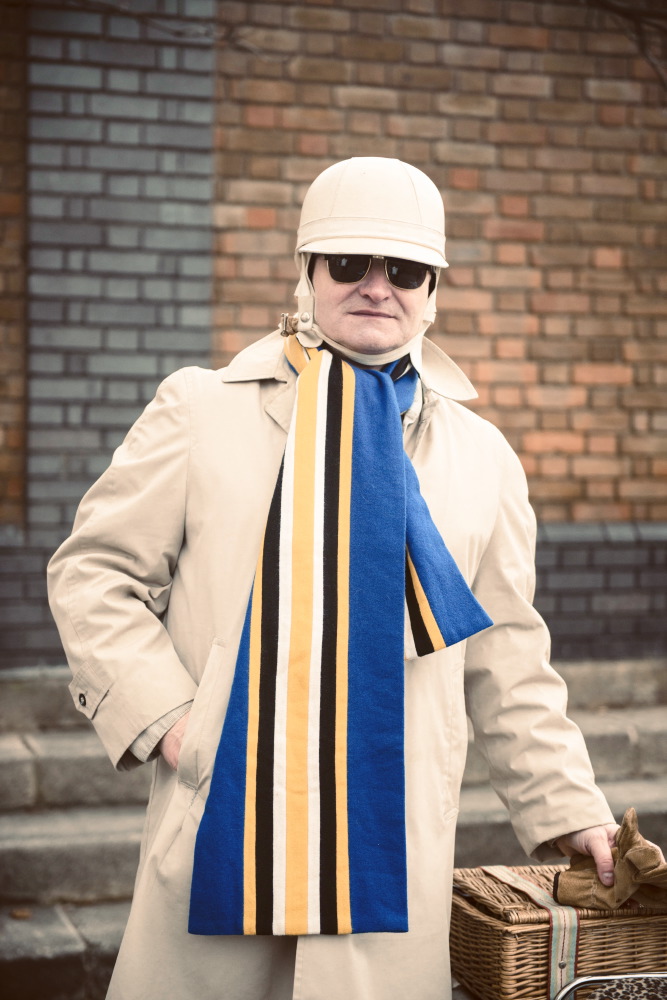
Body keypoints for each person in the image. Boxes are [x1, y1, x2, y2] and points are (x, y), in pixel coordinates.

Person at [48, 157, 620, 1000]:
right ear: (308, 272)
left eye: (405, 270)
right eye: (348, 262)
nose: (375, 286)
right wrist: (174, 724)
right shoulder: (202, 408)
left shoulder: (482, 457)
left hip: (386, 849)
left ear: (432, 292)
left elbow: (504, 654)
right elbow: (94, 574)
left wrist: (566, 805)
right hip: (226, 819)